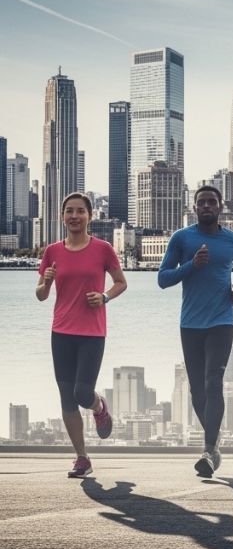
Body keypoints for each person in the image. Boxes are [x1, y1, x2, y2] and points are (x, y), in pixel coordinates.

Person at [158, 185, 233, 477]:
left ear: (220, 206)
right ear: (195, 207)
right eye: (202, 203)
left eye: (212, 202)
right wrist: (191, 265)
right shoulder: (182, 238)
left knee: (214, 382)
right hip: (190, 324)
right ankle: (215, 443)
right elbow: (163, 279)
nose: (207, 206)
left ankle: (209, 451)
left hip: (223, 320)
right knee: (197, 390)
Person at [35, 193, 127, 478]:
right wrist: (46, 283)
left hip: (92, 333)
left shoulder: (103, 249)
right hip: (61, 332)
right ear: (62, 217)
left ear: (89, 216)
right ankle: (81, 457)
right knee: (66, 398)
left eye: (80, 211)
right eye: (69, 212)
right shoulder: (52, 251)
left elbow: (120, 283)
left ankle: (99, 406)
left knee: (81, 392)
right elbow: (40, 295)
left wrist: (104, 297)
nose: (74, 216)